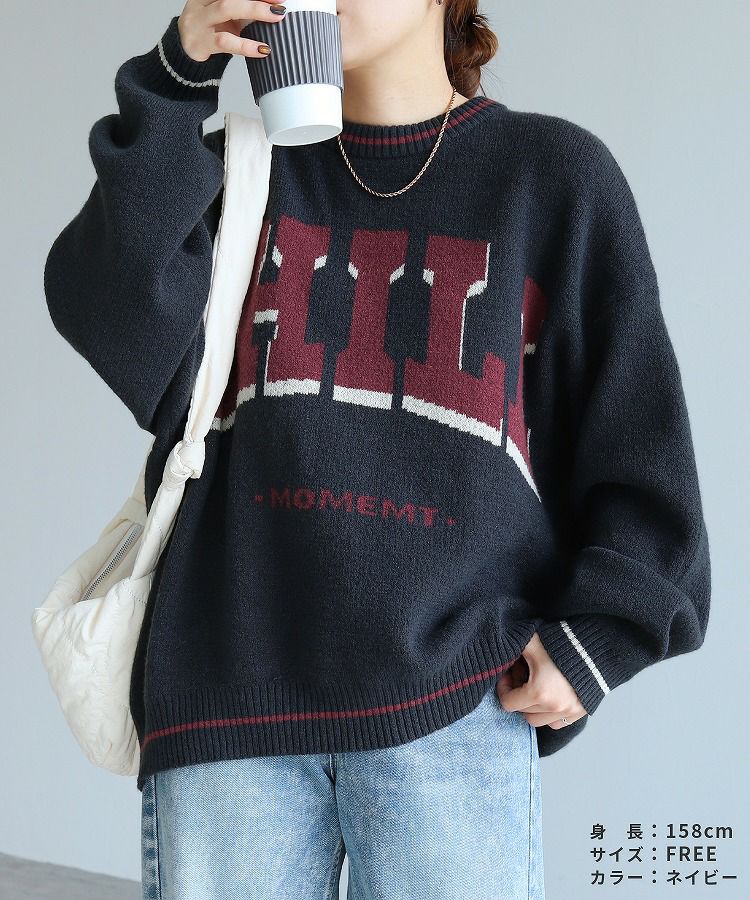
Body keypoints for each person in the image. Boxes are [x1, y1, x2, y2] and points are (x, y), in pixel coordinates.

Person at [43, 1, 712, 897]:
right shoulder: (241, 174)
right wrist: (176, 76)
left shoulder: (550, 178)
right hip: (229, 702)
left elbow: (639, 445)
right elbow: (104, 309)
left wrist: (599, 642)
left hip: (454, 711)